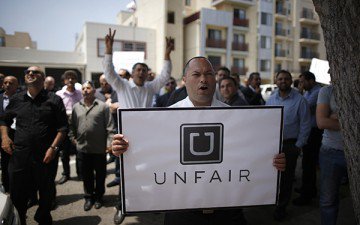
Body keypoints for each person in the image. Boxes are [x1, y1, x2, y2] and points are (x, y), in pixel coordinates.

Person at [112, 56, 286, 225]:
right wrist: (125, 150)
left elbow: (251, 156)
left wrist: (271, 162)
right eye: (197, 74)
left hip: (228, 212)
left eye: (209, 74)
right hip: (181, 212)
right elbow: (149, 156)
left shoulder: (237, 117)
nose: (203, 79)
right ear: (185, 80)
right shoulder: (164, 119)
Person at [103, 28, 174, 224]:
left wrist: (167, 55)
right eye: (138, 70)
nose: (141, 72)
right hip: (126, 138)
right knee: (126, 175)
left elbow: (165, 76)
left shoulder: (151, 87)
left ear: (147, 74)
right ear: (133, 73)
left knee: (150, 172)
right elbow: (108, 73)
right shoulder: (123, 86)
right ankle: (121, 207)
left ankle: (151, 205)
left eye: (144, 70)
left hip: (148, 138)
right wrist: (108, 50)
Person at [0, 66, 68, 225]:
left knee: (46, 193)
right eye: (27, 72)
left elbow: (63, 128)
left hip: (45, 156)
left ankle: (43, 217)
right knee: (17, 193)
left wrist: (53, 148)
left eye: (35, 72)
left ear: (43, 78)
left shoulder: (54, 99)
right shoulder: (17, 99)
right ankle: (20, 219)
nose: (30, 73)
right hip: (20, 155)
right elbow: (4, 120)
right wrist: (4, 138)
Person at [266, 70, 311, 221]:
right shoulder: (271, 99)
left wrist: (298, 146)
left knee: (286, 179)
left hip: (290, 146)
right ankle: (272, 201)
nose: (283, 81)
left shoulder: (300, 100)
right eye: (280, 79)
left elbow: (306, 125)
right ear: (276, 81)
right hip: (272, 145)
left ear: (291, 81)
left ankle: (281, 208)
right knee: (273, 177)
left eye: (286, 79)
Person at [69, 81, 115, 211]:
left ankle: (99, 197)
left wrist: (109, 144)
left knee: (100, 175)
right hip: (83, 149)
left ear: (94, 90)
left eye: (88, 88)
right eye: (83, 88)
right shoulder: (76, 107)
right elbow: (71, 125)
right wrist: (73, 140)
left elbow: (110, 127)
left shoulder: (103, 107)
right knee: (87, 175)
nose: (85, 90)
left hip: (99, 149)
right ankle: (89, 197)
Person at [293, 71, 323, 206]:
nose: (302, 84)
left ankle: (308, 194)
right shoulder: (308, 92)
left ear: (311, 80)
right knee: (307, 163)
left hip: (314, 132)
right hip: (308, 131)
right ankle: (309, 189)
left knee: (309, 164)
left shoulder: (318, 92)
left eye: (303, 81)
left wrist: (299, 92)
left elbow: (304, 107)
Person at [316, 84, 345, 225]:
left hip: (354, 153)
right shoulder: (327, 90)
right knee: (328, 199)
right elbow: (321, 122)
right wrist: (350, 120)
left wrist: (335, 118)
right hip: (331, 151)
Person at [56, 70, 83, 184]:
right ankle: (66, 174)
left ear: (76, 80)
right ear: (64, 80)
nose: (70, 80)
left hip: (77, 126)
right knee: (64, 152)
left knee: (78, 150)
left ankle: (80, 173)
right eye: (68, 78)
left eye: (73, 78)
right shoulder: (59, 94)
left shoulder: (80, 93)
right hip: (64, 126)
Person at [94, 74, 120, 187]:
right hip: (99, 128)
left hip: (114, 126)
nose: (104, 84)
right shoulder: (96, 93)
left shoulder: (116, 92)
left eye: (106, 82)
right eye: (102, 83)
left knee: (118, 154)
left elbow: (116, 107)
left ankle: (118, 177)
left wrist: (111, 105)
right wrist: (108, 105)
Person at [0, 76, 18, 193]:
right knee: (5, 163)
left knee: (18, 164)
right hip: (2, 136)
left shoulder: (21, 98)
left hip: (18, 135)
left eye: (10, 83)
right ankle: (7, 188)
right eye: (5, 82)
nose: (7, 85)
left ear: (16, 85)